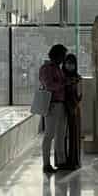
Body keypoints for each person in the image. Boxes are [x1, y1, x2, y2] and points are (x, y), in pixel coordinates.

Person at [39, 44, 68, 175]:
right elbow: (49, 85)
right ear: (56, 55)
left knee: (61, 134)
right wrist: (64, 84)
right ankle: (46, 164)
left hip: (61, 104)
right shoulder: (46, 68)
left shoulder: (58, 68)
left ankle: (61, 161)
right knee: (49, 135)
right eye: (62, 56)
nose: (63, 59)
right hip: (52, 104)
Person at [60, 51, 83, 170]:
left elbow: (80, 95)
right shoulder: (61, 77)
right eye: (68, 63)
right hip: (61, 108)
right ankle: (62, 161)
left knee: (74, 135)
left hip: (74, 108)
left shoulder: (77, 78)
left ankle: (74, 161)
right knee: (61, 135)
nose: (70, 66)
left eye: (72, 63)